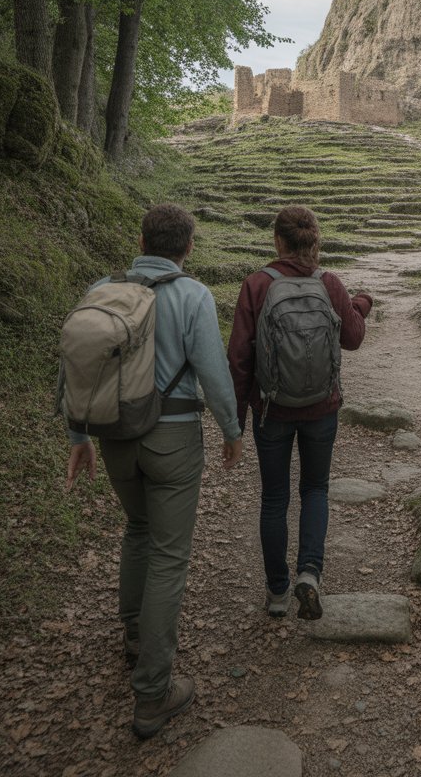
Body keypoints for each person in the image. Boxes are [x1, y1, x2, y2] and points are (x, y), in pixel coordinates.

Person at [65, 204, 242, 739]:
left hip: (115, 434)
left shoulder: (102, 289)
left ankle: (135, 637)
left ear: (141, 239)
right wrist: (231, 430)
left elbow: (73, 360)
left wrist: (78, 437)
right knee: (169, 556)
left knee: (137, 529)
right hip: (172, 437)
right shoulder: (193, 295)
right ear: (188, 247)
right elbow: (213, 371)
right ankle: (152, 693)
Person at [228, 206, 372, 621]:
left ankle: (276, 592)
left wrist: (234, 424)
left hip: (271, 409)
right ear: (315, 241)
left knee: (274, 497)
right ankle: (309, 573)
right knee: (315, 489)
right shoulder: (328, 283)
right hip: (321, 408)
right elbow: (354, 338)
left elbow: (238, 360)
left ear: (277, 241)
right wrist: (360, 303)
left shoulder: (256, 285)